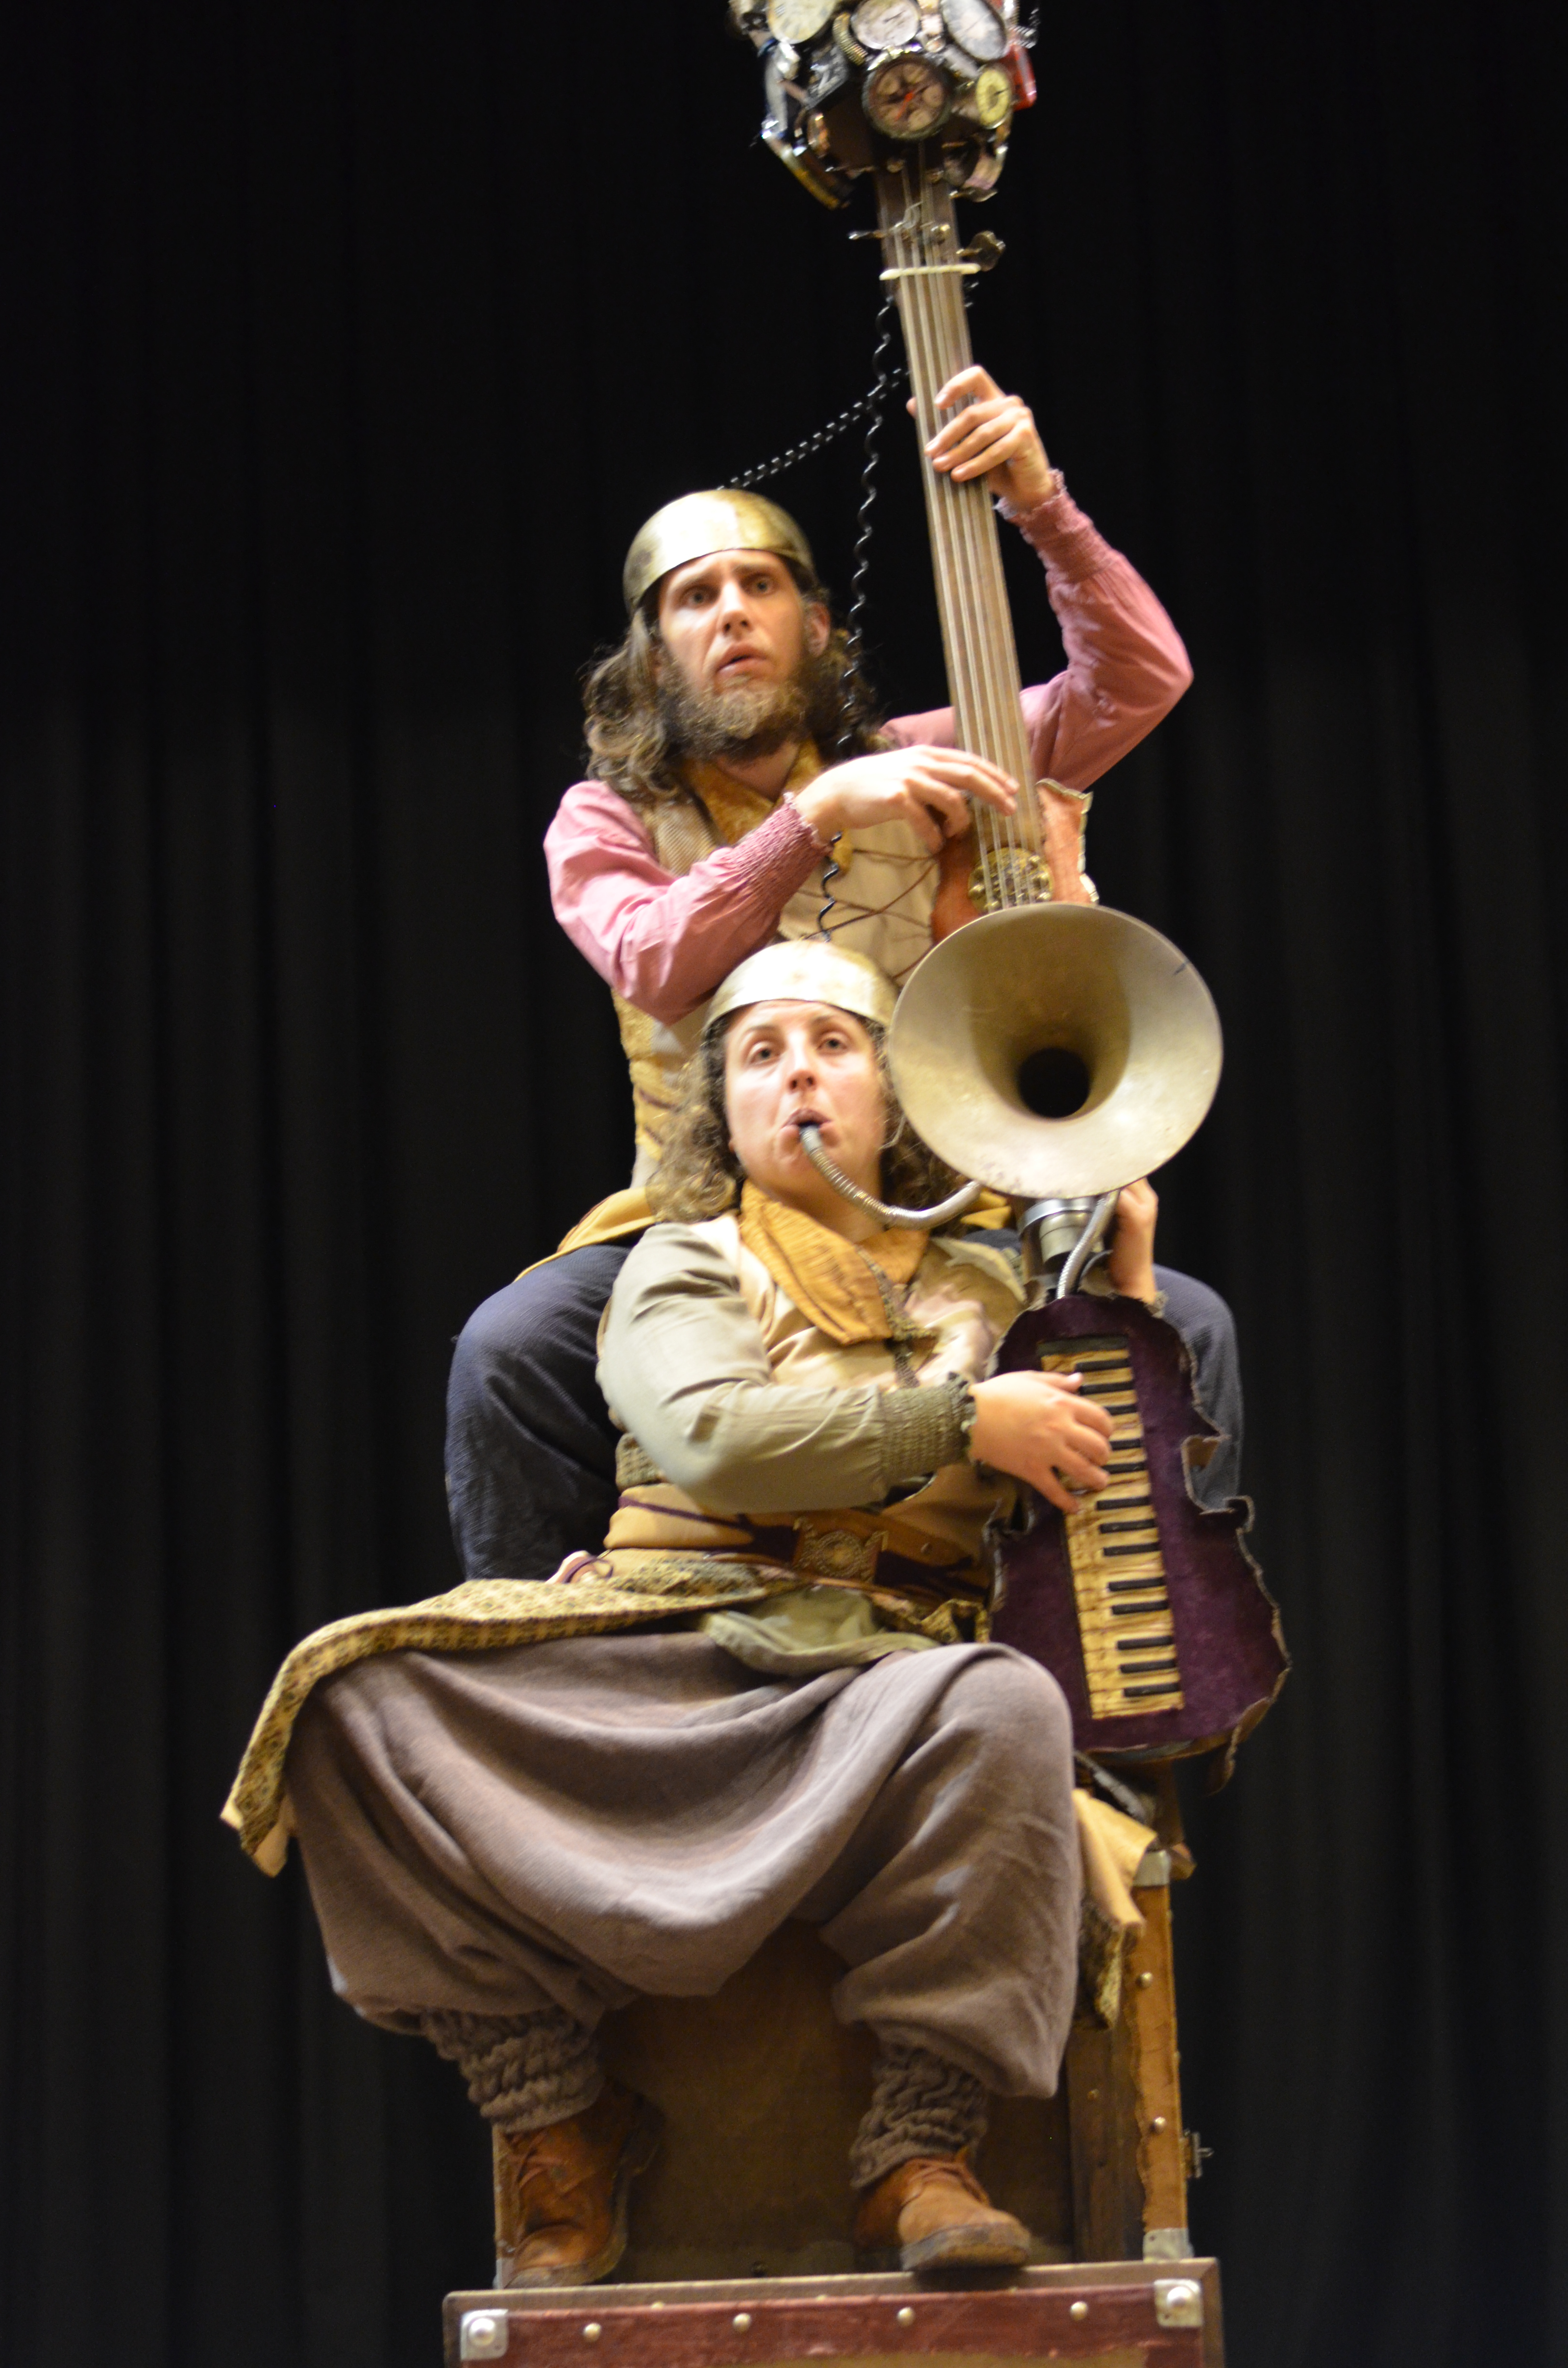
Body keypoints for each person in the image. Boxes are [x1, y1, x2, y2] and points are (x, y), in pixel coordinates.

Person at [225, 940, 1166, 2289]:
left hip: (886, 1691)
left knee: (1008, 1703)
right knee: (350, 1703)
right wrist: (965, 1420)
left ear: (898, 1093)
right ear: (721, 1109)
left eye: (833, 1047)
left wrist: (1124, 1295)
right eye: (762, 1055)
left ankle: (920, 2153)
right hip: (683, 1655)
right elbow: (715, 1439)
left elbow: (1126, 1519)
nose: (799, 1078)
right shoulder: (680, 1260)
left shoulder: (999, 1283)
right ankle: (558, 2116)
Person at [447, 368, 1243, 1582]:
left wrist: (1040, 502)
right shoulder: (606, 817)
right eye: (696, 597)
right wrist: (814, 816)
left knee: (1193, 1324)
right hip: (706, 1216)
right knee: (508, 1351)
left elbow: (1140, 683)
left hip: (942, 1216)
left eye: (761, 586)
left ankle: (1157, 1651)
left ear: (816, 630)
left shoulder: (930, 763)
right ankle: (538, 1650)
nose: (732, 613)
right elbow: (656, 964)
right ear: (654, 661)